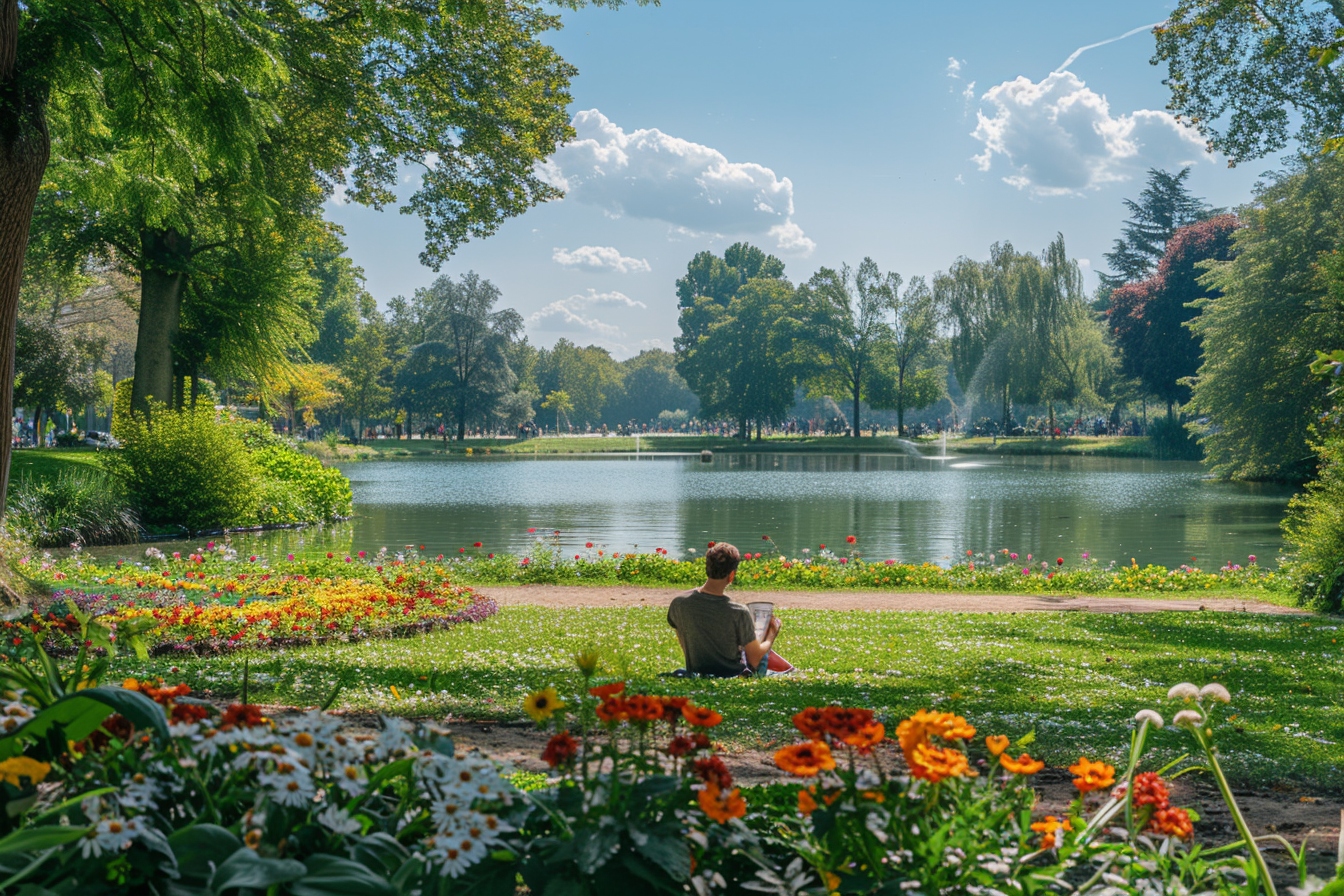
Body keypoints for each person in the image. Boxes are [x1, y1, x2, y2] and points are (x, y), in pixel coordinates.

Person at [667, 542, 794, 677]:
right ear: (732, 575)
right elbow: (755, 660)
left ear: (707, 568)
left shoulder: (679, 602)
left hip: (697, 669)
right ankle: (787, 670)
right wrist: (772, 633)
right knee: (760, 643)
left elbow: (683, 638)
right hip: (733, 673)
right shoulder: (738, 611)